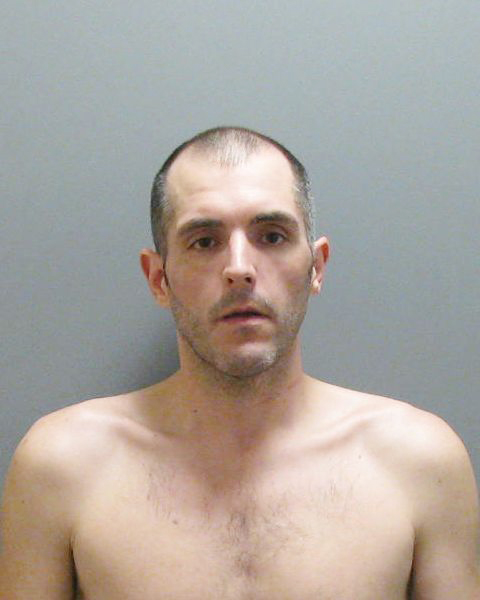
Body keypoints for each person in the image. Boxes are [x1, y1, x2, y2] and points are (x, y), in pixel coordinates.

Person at [0, 126, 479, 599]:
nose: (240, 268)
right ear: (159, 278)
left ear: (316, 267)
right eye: (204, 241)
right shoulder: (63, 468)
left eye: (271, 236)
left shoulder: (418, 464)